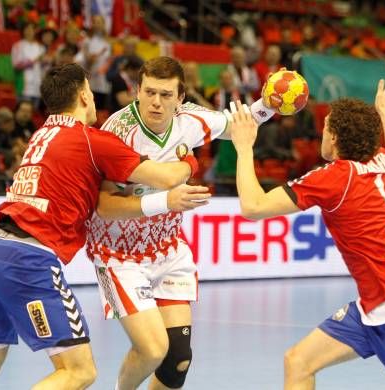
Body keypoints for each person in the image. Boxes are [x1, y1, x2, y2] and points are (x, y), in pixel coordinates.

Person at [0, 63, 207, 390]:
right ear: (84, 95)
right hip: (28, 260)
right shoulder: (91, 140)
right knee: (78, 372)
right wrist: (189, 157)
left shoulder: (41, 135)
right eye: (92, 93)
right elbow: (168, 178)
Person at [227, 77, 385, 390]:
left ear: (336, 137)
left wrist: (244, 148)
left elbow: (253, 206)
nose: (322, 133)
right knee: (298, 362)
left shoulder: (336, 178)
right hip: (370, 309)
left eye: (326, 127)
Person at [86, 56, 276, 390]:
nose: (155, 102)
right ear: (138, 91)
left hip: (168, 250)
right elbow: (103, 205)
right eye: (148, 92)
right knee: (151, 349)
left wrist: (271, 104)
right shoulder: (117, 133)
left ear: (180, 98)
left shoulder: (191, 120)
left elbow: (239, 125)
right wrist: (165, 200)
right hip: (119, 255)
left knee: (178, 360)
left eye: (165, 95)